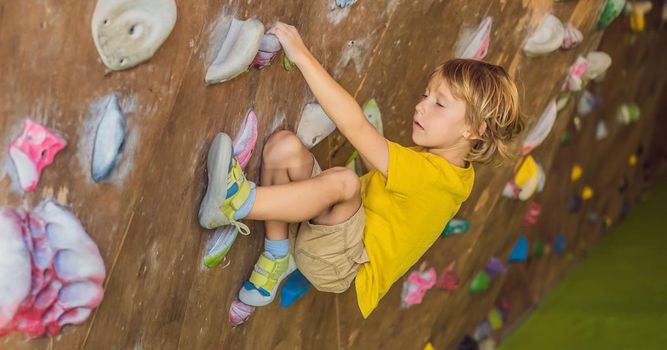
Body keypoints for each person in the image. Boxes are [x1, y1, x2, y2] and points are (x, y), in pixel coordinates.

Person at [198, 22, 524, 318]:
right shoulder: (453, 168)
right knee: (283, 147)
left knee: (344, 182)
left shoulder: (433, 179)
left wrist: (301, 56)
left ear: (475, 130)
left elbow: (354, 124)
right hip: (331, 233)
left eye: (439, 104)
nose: (421, 105)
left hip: (337, 263)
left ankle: (235, 203)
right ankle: (276, 255)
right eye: (426, 95)